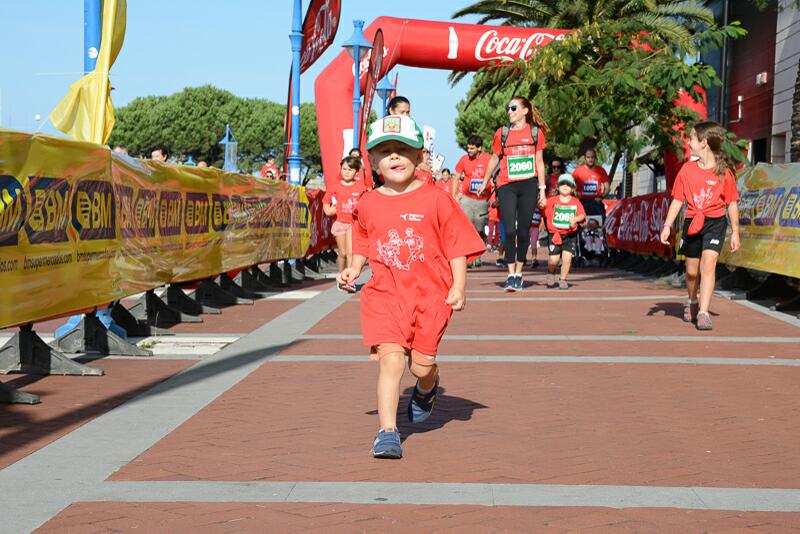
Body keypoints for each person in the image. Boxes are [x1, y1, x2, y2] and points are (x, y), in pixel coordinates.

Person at [337, 115, 485, 459]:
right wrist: (354, 268)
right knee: (390, 363)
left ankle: (427, 384)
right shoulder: (368, 202)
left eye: (402, 150)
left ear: (419, 157)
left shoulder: (437, 198)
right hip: (385, 296)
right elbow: (362, 237)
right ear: (372, 162)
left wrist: (459, 286)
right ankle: (387, 432)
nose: (394, 157)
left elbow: (457, 244)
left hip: (431, 298)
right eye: (385, 151)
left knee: (419, 366)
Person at [660, 121, 740, 331]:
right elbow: (677, 200)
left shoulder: (725, 173)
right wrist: (667, 225)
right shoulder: (687, 170)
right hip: (692, 222)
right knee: (692, 271)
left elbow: (731, 203)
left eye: (692, 138)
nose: (689, 142)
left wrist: (735, 232)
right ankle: (692, 302)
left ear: (703, 143)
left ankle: (704, 312)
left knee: (708, 265)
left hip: (715, 222)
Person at [478, 96, 548, 292]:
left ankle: (519, 273)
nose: (509, 111)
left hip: (529, 185)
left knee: (524, 231)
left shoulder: (535, 133)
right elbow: (493, 159)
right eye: (508, 108)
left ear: (525, 111)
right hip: (506, 185)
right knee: (508, 231)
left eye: (513, 107)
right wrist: (485, 183)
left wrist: (542, 191)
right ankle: (510, 274)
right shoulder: (502, 133)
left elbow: (540, 162)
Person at [323, 156, 367, 274]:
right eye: (344, 169)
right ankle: (341, 274)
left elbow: (367, 205)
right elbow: (326, 203)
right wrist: (329, 210)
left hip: (354, 224)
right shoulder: (335, 186)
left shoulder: (361, 188)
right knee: (342, 253)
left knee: (350, 253)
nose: (347, 172)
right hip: (340, 223)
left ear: (356, 172)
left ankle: (349, 279)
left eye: (350, 170)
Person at [454, 134, 493, 267]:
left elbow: (495, 177)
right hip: (466, 199)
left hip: (483, 200)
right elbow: (456, 177)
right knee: (467, 227)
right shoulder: (464, 159)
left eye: (471, 148)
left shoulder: (488, 159)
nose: (469, 150)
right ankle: (470, 257)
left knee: (479, 229)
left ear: (479, 148)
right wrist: (454, 195)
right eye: (468, 148)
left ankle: (479, 252)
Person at [541, 175, 586, 289]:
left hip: (570, 235)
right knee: (553, 260)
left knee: (567, 259)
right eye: (562, 183)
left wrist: (575, 219)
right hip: (555, 234)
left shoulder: (576, 202)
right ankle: (551, 272)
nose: (565, 186)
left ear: (572, 188)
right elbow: (542, 208)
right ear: (558, 187)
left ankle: (563, 279)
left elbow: (582, 215)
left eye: (568, 184)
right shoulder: (552, 201)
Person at [572, 149, 610, 218]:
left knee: (599, 226)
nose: (590, 159)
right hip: (582, 203)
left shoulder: (601, 170)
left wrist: (601, 197)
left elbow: (607, 187)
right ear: (585, 158)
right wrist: (576, 194)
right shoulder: (578, 170)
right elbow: (571, 185)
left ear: (595, 158)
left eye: (592, 157)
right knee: (583, 227)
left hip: (596, 204)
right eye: (588, 157)